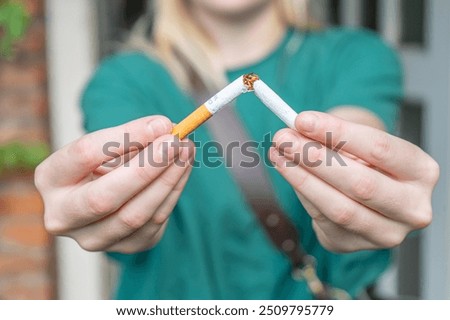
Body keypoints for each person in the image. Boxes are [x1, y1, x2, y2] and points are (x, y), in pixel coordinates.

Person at [35, 0, 439, 299]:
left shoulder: (355, 56)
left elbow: (355, 129)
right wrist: (107, 203)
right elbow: (114, 167)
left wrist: (361, 183)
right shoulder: (122, 79)